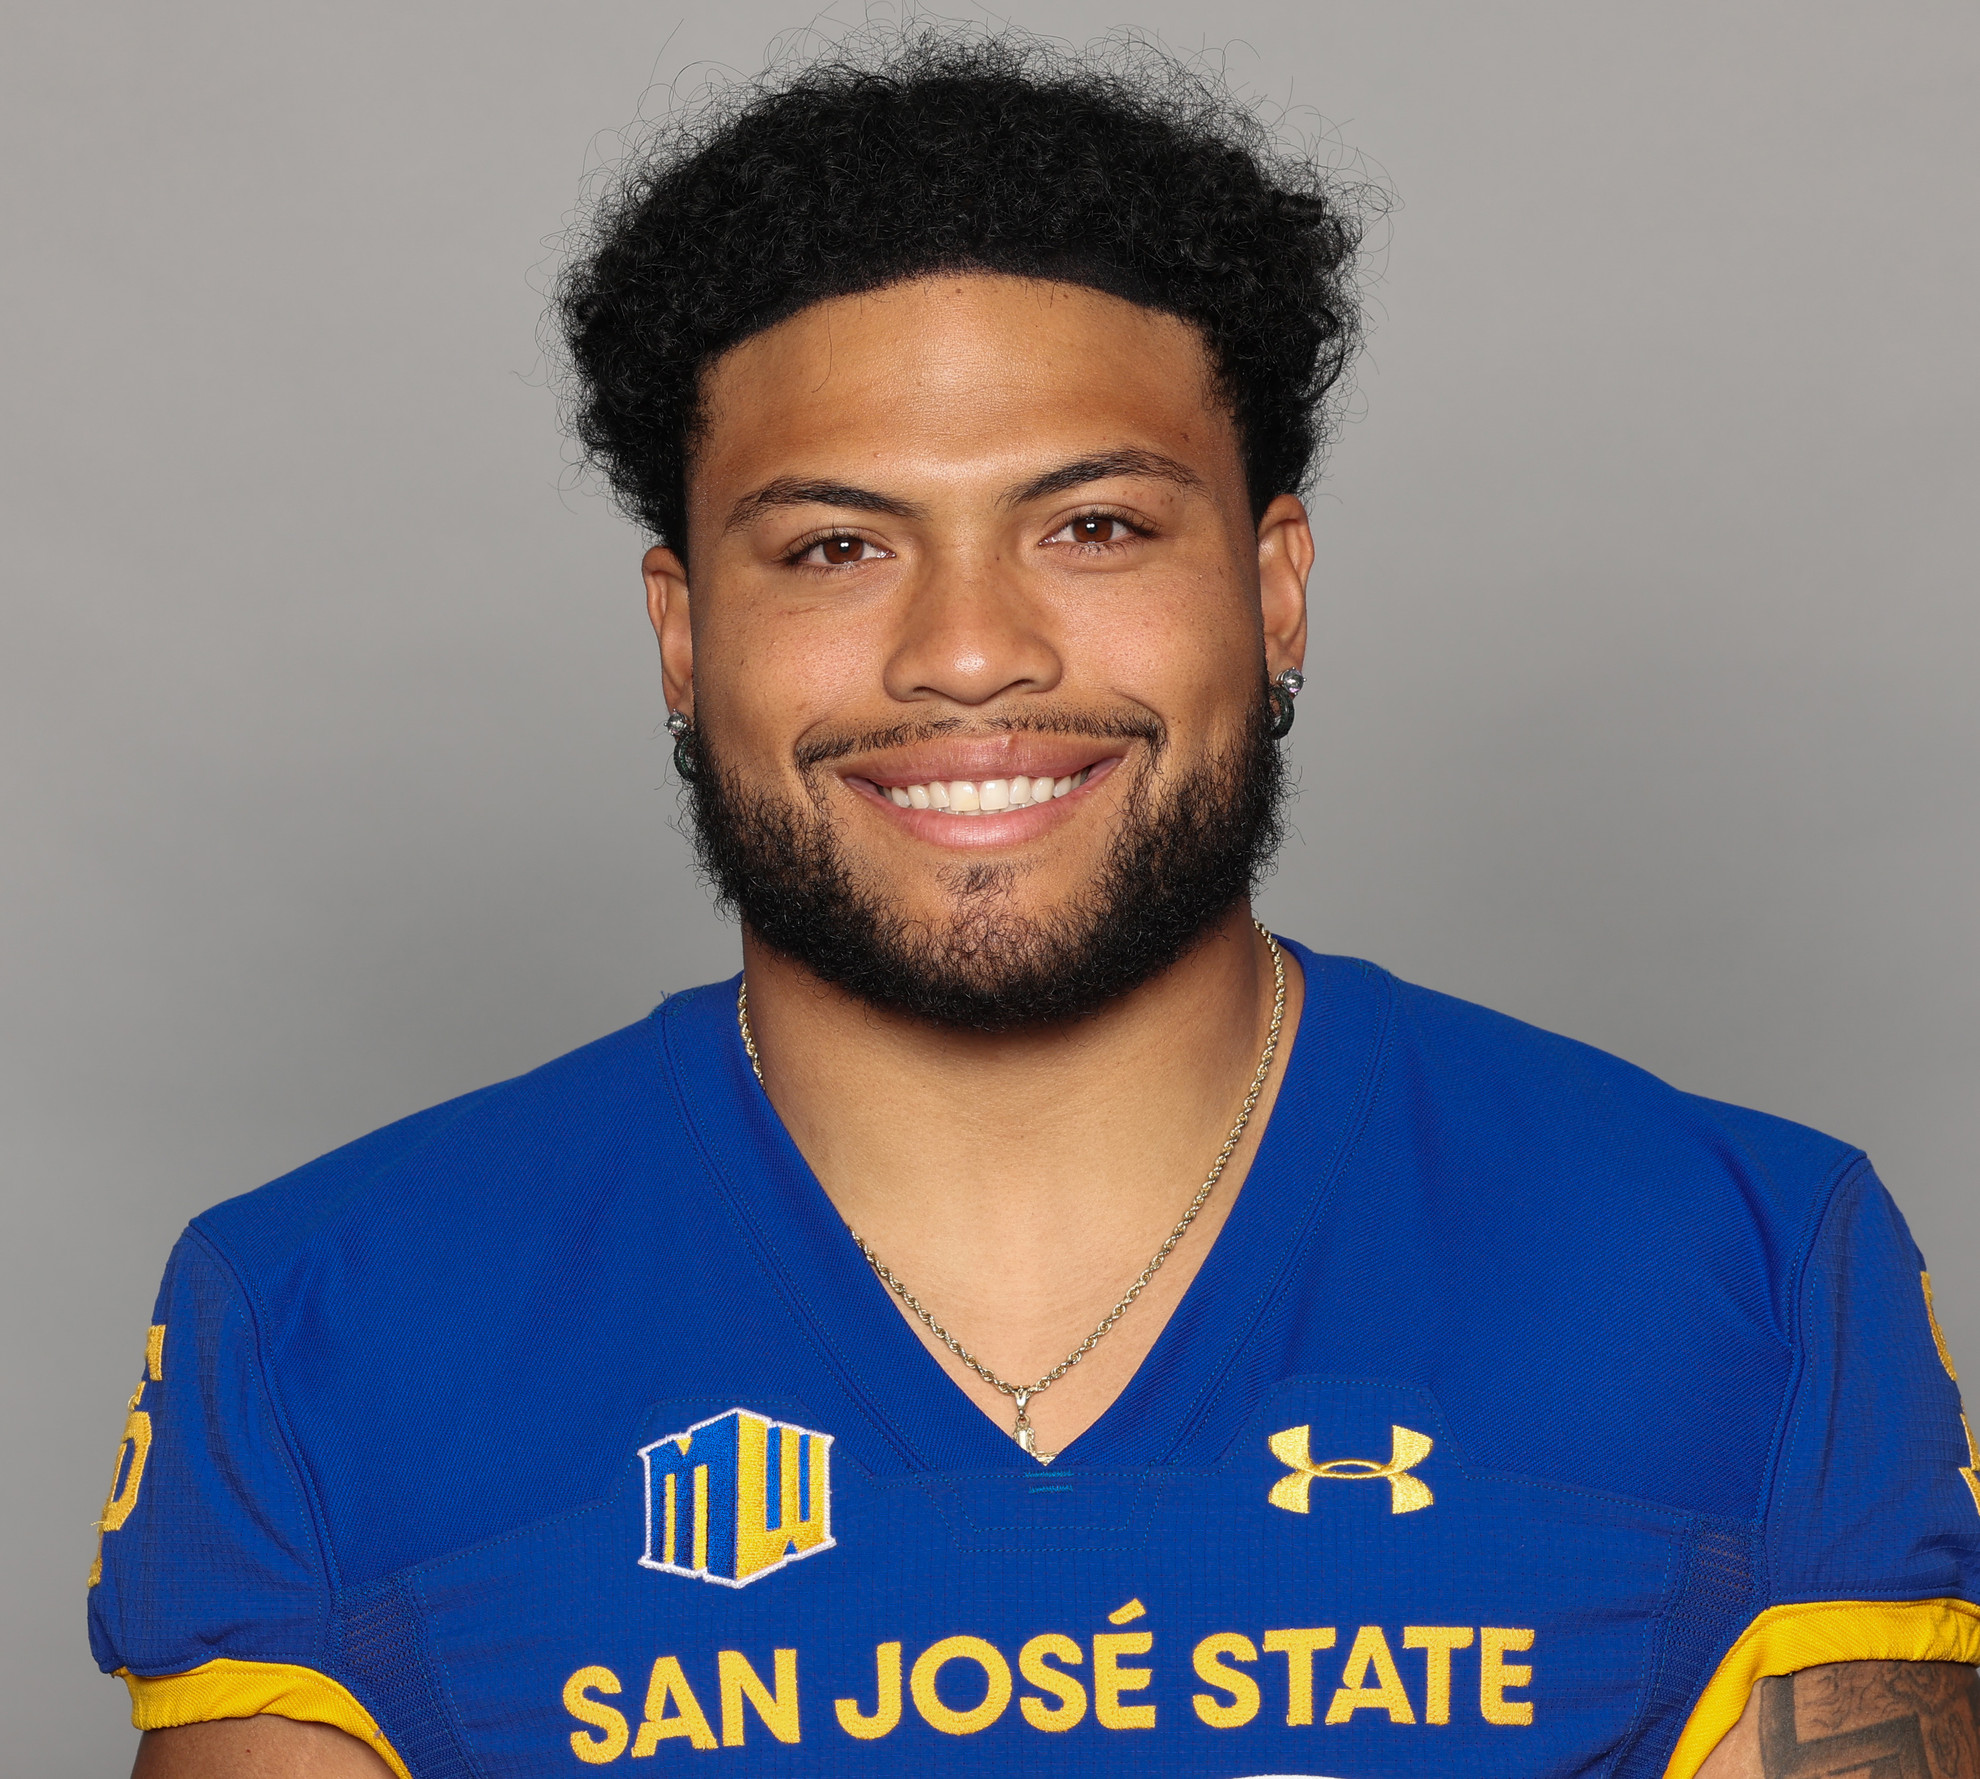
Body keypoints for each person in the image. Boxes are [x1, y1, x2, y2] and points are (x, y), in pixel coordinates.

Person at [88, 25, 1980, 1779]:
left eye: (1094, 527)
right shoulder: (327, 1324)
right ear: (682, 636)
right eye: (836, 546)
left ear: (1275, 588)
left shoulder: (1739, 1268)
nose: (969, 653)